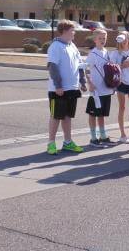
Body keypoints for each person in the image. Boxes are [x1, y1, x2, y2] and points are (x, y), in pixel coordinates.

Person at [47, 20, 87, 155]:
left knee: (67, 116)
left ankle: (68, 142)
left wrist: (82, 81)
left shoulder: (73, 46)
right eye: (72, 30)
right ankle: (51, 144)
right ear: (64, 31)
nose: (74, 32)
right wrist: (58, 86)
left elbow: (80, 65)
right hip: (58, 89)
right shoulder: (55, 46)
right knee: (56, 116)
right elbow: (53, 67)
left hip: (72, 88)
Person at [85, 28, 117, 148]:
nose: (102, 40)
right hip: (96, 90)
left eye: (104, 38)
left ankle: (103, 136)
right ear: (95, 40)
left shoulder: (106, 52)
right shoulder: (92, 54)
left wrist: (113, 84)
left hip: (105, 89)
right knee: (93, 114)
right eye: (100, 38)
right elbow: (86, 69)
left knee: (102, 114)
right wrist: (90, 83)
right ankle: (93, 138)